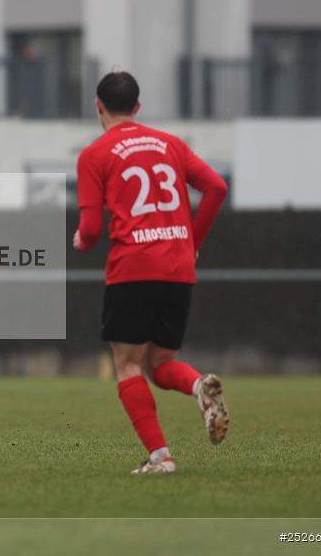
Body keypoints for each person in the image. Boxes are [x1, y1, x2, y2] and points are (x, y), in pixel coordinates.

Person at [73, 72, 230, 474]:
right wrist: (192, 242)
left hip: (133, 267)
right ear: (138, 108)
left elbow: (91, 231)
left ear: (99, 107)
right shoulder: (171, 144)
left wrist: (81, 241)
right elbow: (216, 188)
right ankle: (198, 386)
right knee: (161, 365)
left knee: (127, 365)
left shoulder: (95, 154)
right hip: (178, 266)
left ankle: (160, 457)